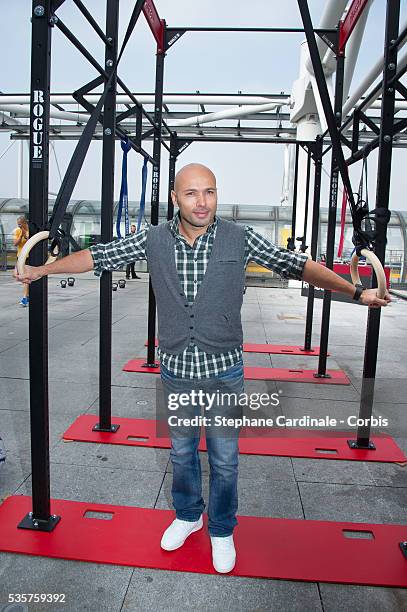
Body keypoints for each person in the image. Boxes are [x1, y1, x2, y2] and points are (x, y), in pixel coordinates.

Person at [13, 163, 391, 573]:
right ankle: (189, 515)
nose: (202, 202)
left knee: (226, 459)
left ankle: (223, 529)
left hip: (224, 368)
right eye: (191, 193)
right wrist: (42, 270)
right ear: (175, 198)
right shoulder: (154, 238)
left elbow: (295, 266)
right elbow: (99, 255)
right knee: (181, 451)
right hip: (176, 367)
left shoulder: (238, 236)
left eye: (209, 192)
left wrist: (356, 291)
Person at [13, 216, 30, 306]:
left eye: (20, 224)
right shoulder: (17, 231)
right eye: (18, 224)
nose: (19, 226)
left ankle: (24, 298)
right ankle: (27, 296)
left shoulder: (29, 230)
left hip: (28, 257)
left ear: (24, 223)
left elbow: (28, 238)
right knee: (19, 276)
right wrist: (20, 234)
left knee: (25, 278)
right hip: (20, 257)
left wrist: (24, 232)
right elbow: (15, 243)